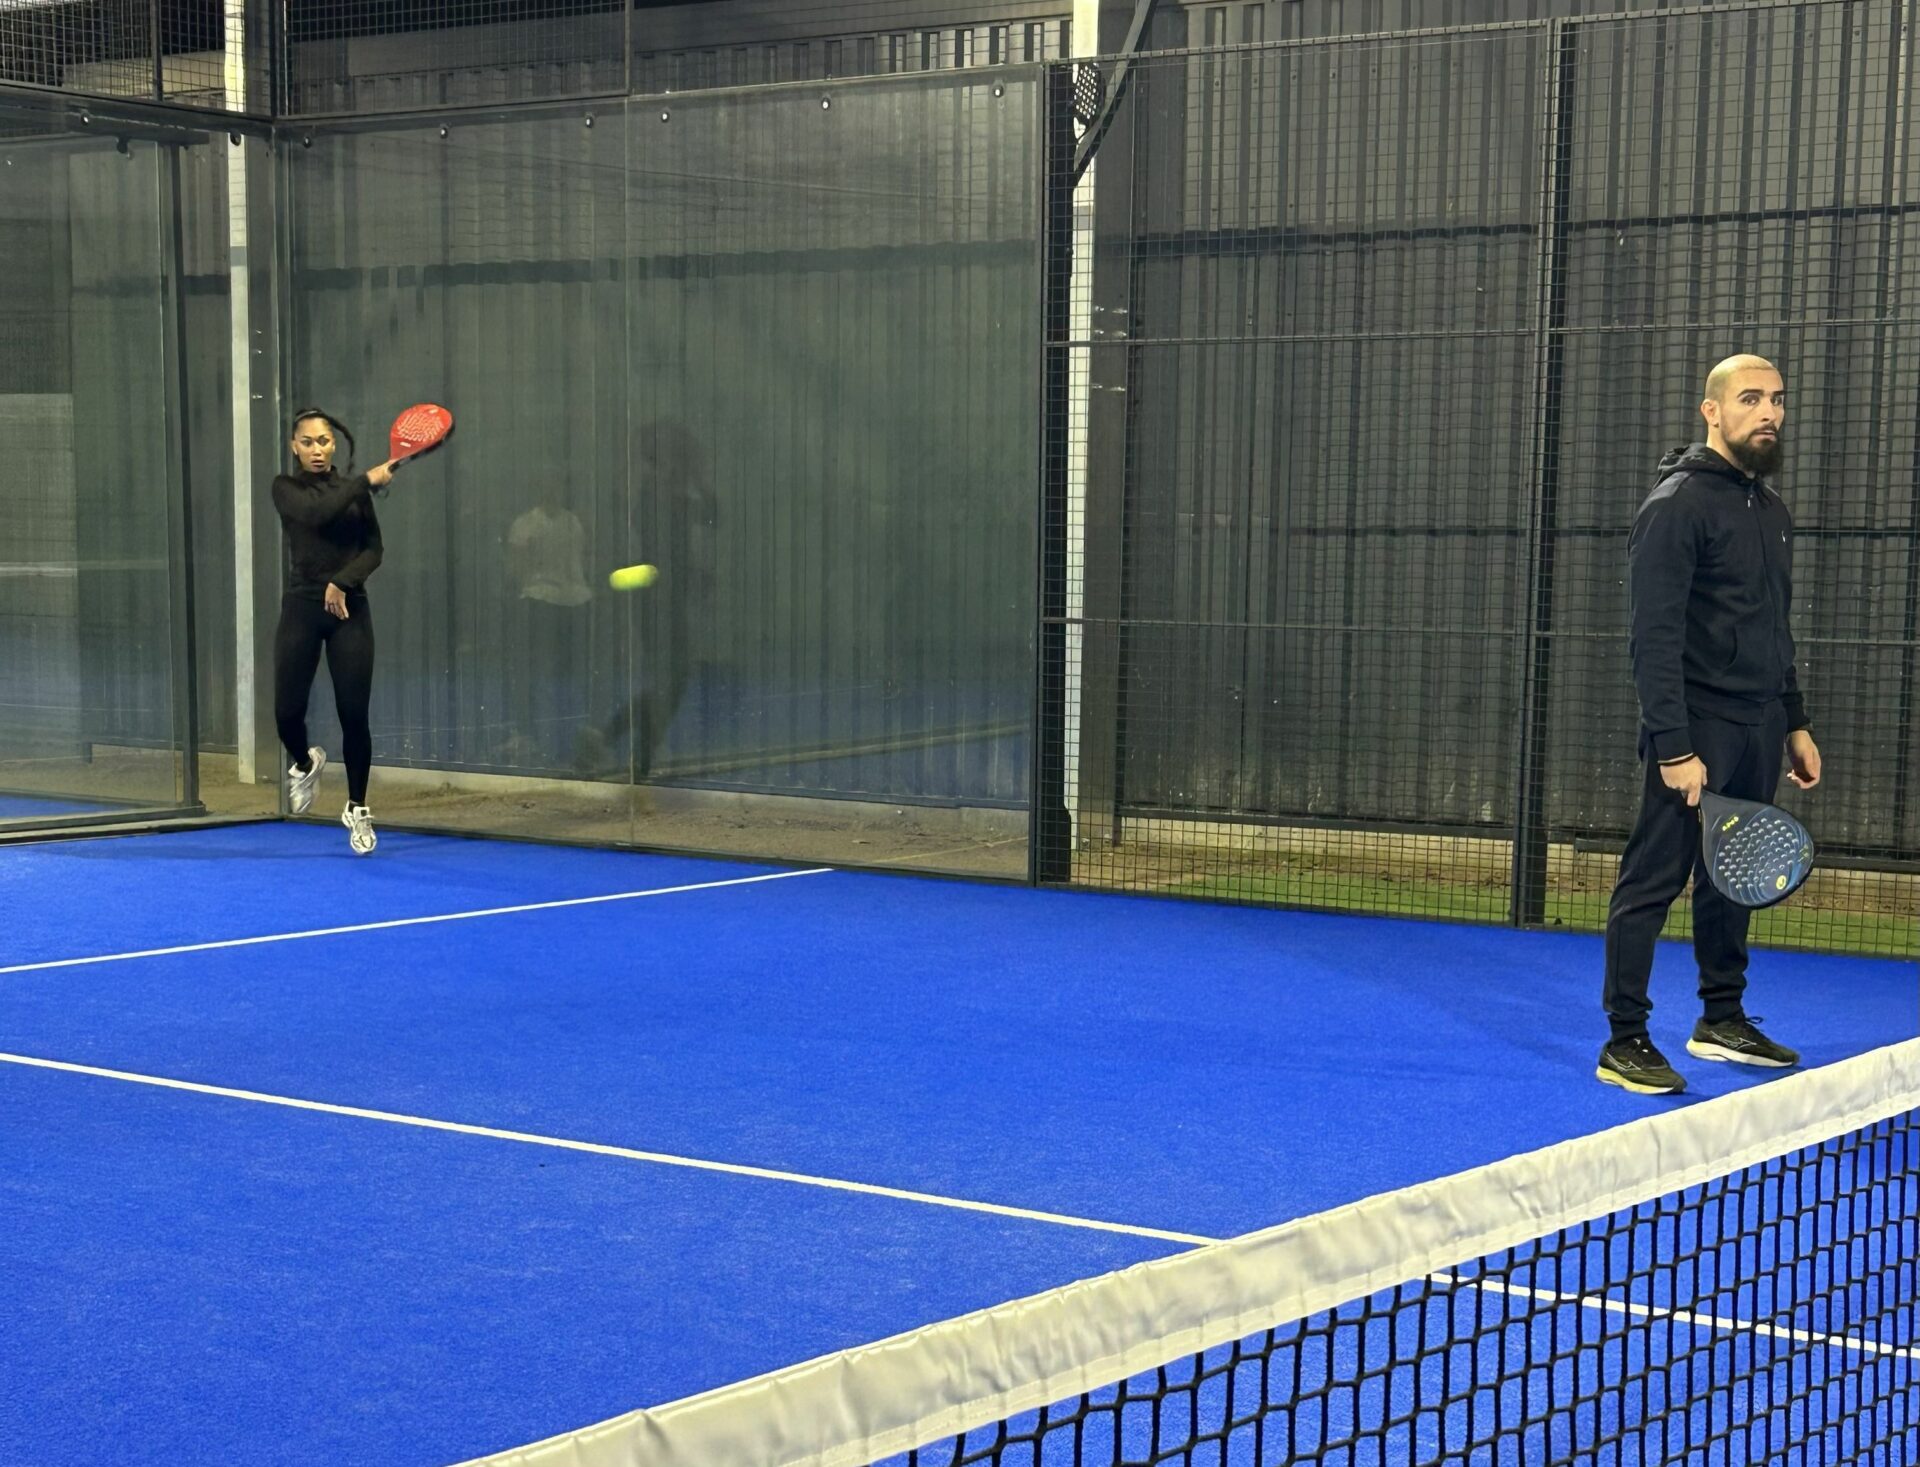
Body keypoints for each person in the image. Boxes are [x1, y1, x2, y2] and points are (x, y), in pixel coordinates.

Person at [1597, 355, 1823, 1095]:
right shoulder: (1676, 505)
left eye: (1777, 400)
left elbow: (1773, 628)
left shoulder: (1770, 510)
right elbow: (1652, 638)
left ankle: (1721, 1019)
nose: (1769, 413)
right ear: (1712, 412)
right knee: (1653, 880)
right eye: (1750, 399)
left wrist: (1794, 722)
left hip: (1760, 726)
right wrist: (1675, 747)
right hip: (1696, 729)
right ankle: (1625, 1038)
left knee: (1732, 877)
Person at [272, 407, 396, 855]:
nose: (316, 449)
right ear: (294, 446)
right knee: (286, 713)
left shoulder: (353, 492)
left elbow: (374, 549)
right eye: (307, 442)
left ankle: (358, 807)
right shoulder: (285, 489)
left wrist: (342, 582)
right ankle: (306, 762)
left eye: (323, 441)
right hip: (302, 608)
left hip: (349, 610)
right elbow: (316, 514)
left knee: (354, 714)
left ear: (334, 444)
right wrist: (365, 481)